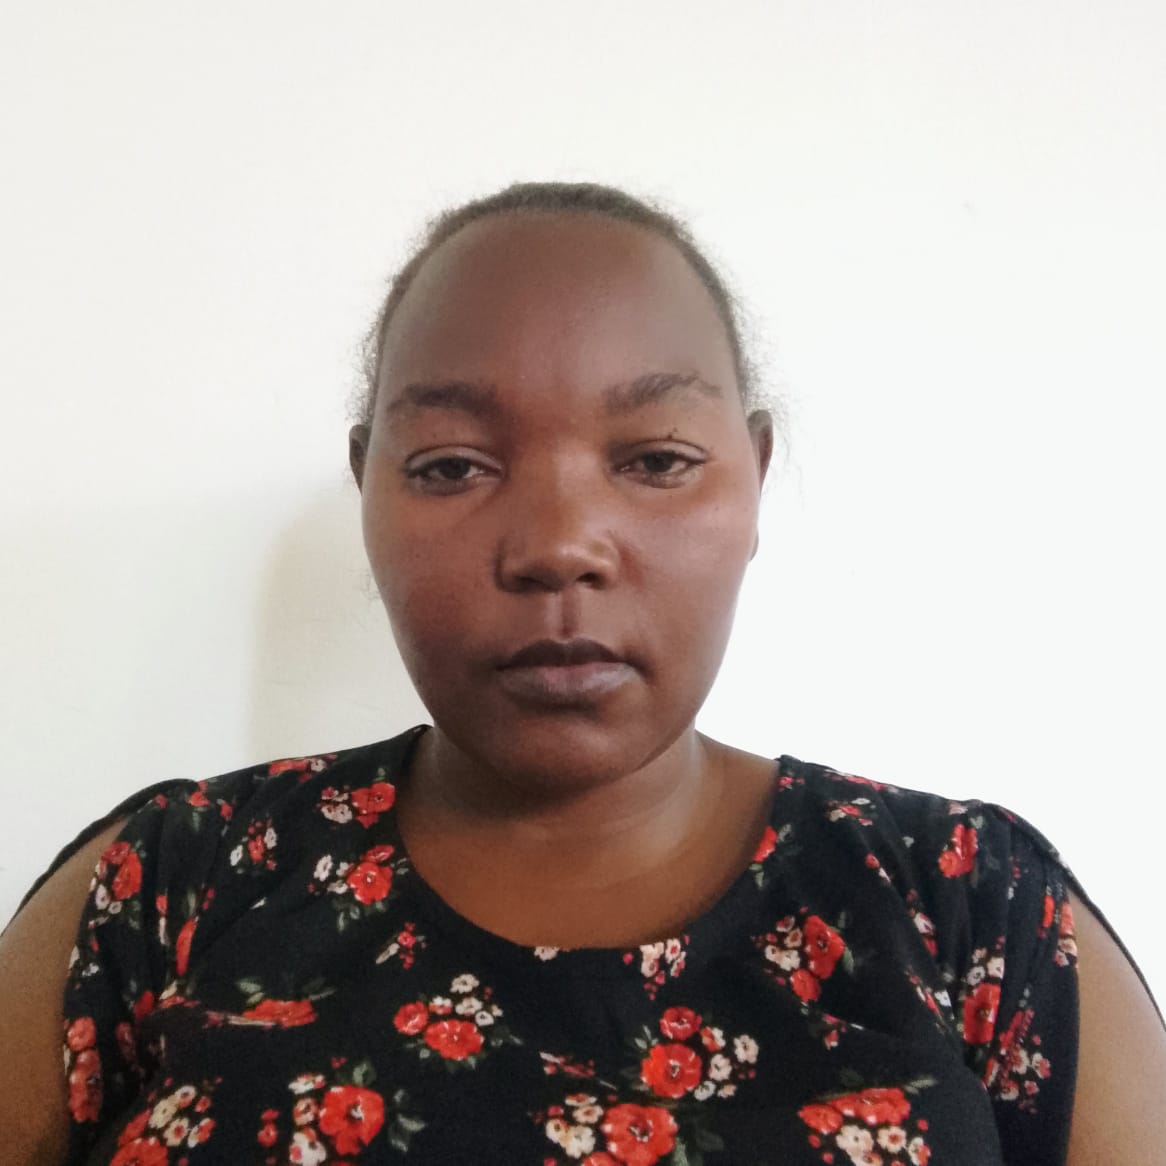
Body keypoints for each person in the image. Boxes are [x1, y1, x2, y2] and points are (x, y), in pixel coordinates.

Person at [1, 183, 1162, 1166]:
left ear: (753, 477)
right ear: (367, 488)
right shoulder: (172, 886)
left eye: (655, 459)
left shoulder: (966, 908)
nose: (559, 544)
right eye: (451, 466)